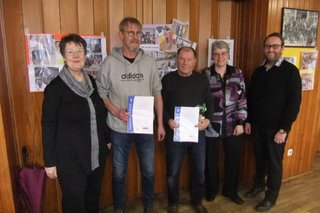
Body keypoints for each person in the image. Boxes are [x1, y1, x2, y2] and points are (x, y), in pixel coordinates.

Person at [96, 17, 165, 213]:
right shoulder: (109, 63)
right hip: (119, 129)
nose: (135, 37)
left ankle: (149, 207)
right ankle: (119, 208)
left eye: (138, 33)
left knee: (149, 172)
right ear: (121, 35)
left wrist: (159, 123)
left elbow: (157, 92)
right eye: (130, 32)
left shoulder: (149, 63)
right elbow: (101, 92)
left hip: (144, 128)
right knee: (118, 173)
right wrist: (115, 110)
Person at [42, 34, 108, 213]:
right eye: (70, 51)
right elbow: (48, 124)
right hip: (70, 159)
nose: (76, 55)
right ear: (63, 56)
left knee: (93, 198)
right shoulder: (55, 88)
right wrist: (49, 161)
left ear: (85, 54)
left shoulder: (91, 82)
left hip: (95, 154)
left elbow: (99, 113)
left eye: (79, 51)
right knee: (74, 203)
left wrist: (107, 139)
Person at [244, 32, 302, 212]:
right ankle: (259, 185)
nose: (271, 49)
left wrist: (284, 129)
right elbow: (251, 99)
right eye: (268, 46)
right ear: (264, 49)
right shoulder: (259, 71)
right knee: (260, 159)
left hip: (277, 129)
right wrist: (249, 121)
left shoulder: (291, 72)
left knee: (274, 163)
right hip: (258, 126)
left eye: (275, 46)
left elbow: (294, 104)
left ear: (282, 48)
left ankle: (271, 197)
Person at [162, 47, 214, 213]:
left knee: (199, 172)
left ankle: (197, 201)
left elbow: (210, 104)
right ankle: (173, 203)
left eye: (189, 59)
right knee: (173, 173)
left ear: (195, 61)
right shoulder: (167, 79)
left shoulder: (202, 80)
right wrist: (167, 120)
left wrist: (208, 120)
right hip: (175, 134)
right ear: (177, 60)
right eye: (182, 59)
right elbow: (160, 106)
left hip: (197, 133)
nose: (185, 63)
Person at [204, 41, 247, 205]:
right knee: (210, 160)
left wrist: (241, 122)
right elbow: (201, 101)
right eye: (216, 53)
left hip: (233, 125)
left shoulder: (237, 73)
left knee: (233, 160)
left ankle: (231, 190)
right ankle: (211, 189)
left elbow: (242, 99)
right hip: (211, 126)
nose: (220, 57)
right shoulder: (205, 74)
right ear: (212, 55)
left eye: (223, 53)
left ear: (228, 55)